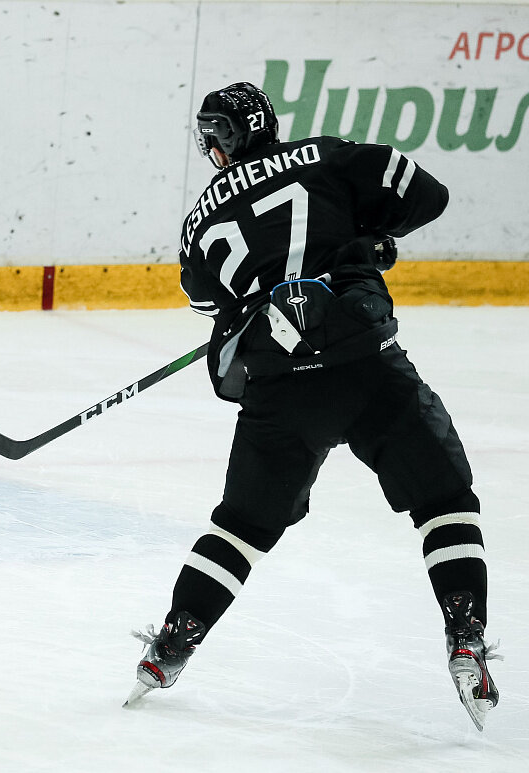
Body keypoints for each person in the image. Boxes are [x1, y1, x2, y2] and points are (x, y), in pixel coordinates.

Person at [124, 82, 499, 730]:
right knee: (445, 498)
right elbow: (427, 194)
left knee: (240, 525)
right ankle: (465, 634)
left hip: (281, 387)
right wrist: (366, 237)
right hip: (362, 362)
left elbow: (212, 307)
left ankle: (174, 641)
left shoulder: (197, 223)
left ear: (221, 141)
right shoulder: (326, 157)